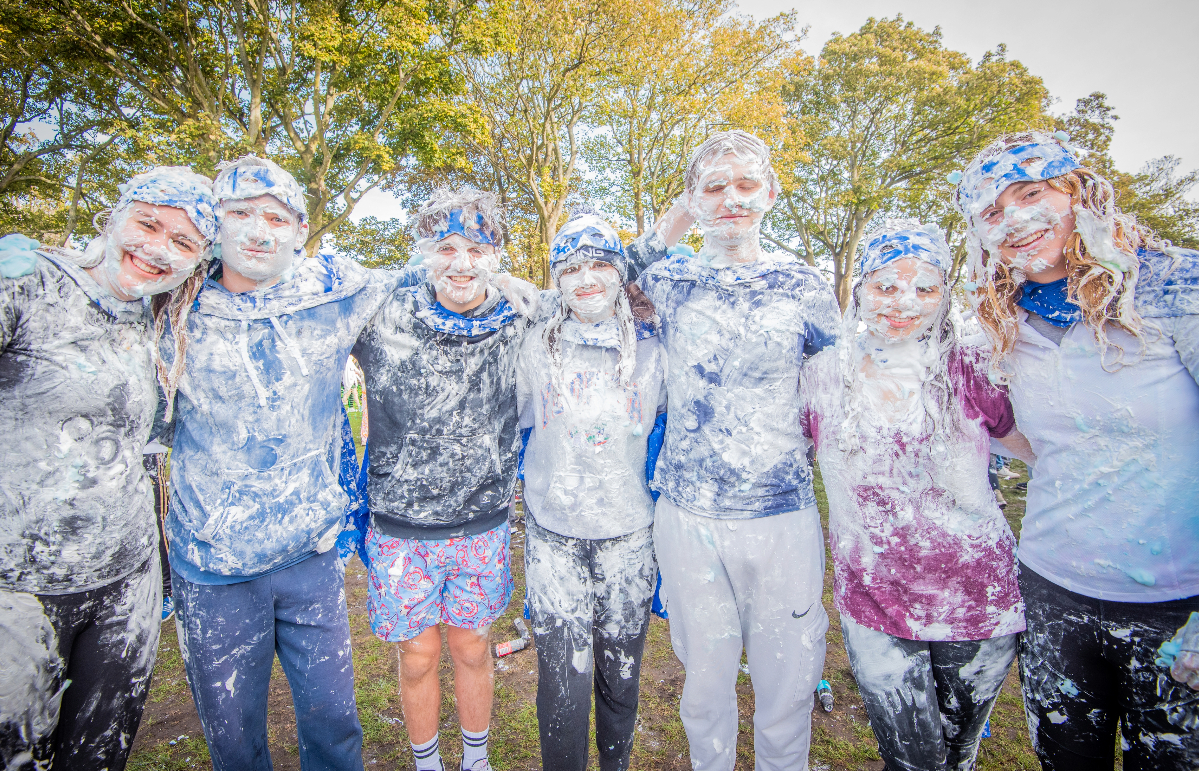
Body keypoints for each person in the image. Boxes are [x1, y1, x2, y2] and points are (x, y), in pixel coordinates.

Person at [161, 155, 474, 771]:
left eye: (276, 217)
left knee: (334, 725)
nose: (258, 230)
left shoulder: (333, 291)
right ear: (213, 223)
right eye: (241, 214)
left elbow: (442, 272)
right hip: (213, 564)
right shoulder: (174, 305)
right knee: (233, 733)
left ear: (300, 231)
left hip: (311, 554)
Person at [953, 130, 1199, 770]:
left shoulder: (1173, 287)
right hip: (1052, 592)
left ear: (1078, 193)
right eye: (993, 212)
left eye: (1032, 194)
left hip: (1178, 607)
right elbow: (1044, 446)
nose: (1017, 220)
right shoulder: (1006, 319)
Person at [630, 130, 841, 771]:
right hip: (689, 513)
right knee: (705, 682)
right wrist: (679, 214)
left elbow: (837, 393)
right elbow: (616, 270)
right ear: (694, 198)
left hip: (782, 512)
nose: (731, 200)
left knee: (787, 681)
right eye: (714, 187)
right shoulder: (672, 279)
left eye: (746, 185)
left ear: (771, 192)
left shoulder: (803, 284)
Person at [0, 167, 218, 770]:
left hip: (126, 583)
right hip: (16, 588)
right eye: (148, 224)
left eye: (183, 243)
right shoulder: (29, 284)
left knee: (98, 758)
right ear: (115, 214)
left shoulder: (163, 323)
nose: (157, 249)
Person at [799, 220, 1033, 771]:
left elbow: (1053, 454)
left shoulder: (971, 368)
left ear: (945, 295)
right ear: (859, 290)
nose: (905, 303)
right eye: (886, 286)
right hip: (872, 598)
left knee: (959, 755)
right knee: (909, 759)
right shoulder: (821, 376)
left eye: (925, 288)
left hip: (978, 599)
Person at [352, 187, 539, 771]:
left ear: (498, 254)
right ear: (424, 253)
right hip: (400, 529)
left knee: (472, 646)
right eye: (446, 246)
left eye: (478, 247)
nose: (462, 261)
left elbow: (605, 282)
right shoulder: (382, 315)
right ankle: (427, 761)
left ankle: (476, 760)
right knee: (417, 654)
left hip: (482, 525)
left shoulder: (519, 318)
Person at [516, 211, 667, 771]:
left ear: (619, 273)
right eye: (571, 267)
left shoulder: (653, 348)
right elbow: (513, 419)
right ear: (555, 279)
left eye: (600, 264)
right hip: (554, 533)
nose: (586, 278)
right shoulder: (535, 347)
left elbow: (676, 424)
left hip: (629, 533)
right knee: (561, 678)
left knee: (621, 671)